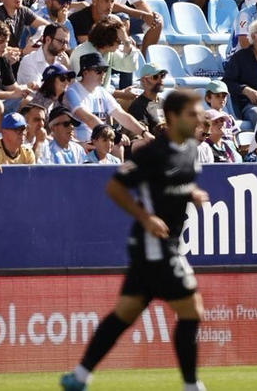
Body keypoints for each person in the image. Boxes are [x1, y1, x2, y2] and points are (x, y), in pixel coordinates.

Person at [61, 90, 208, 391]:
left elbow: (176, 184)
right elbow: (115, 187)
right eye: (192, 114)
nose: (199, 119)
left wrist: (191, 193)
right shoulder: (152, 154)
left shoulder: (191, 149)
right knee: (192, 310)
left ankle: (79, 376)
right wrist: (146, 217)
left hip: (158, 246)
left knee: (125, 313)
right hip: (155, 245)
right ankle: (192, 386)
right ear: (173, 117)